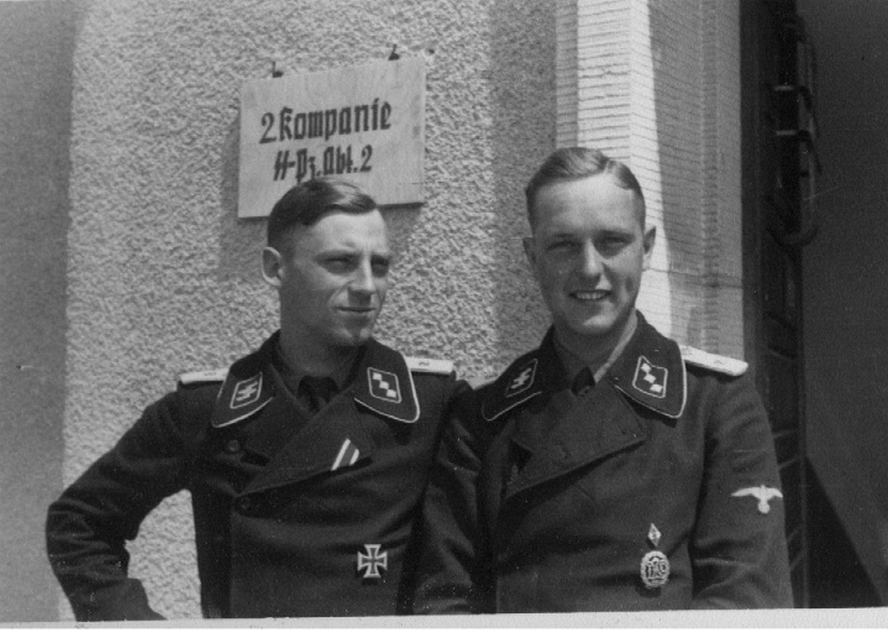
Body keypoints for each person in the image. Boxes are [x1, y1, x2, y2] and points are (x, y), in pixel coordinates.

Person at [46, 177, 462, 620]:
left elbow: (465, 560)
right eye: (340, 262)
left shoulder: (431, 404)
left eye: (379, 265)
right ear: (274, 268)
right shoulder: (207, 410)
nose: (366, 285)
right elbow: (79, 522)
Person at [413, 147, 793, 612]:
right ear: (532, 257)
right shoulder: (481, 417)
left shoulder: (714, 404)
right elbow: (443, 603)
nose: (590, 268)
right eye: (563, 245)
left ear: (646, 248)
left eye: (611, 242)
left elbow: (746, 601)